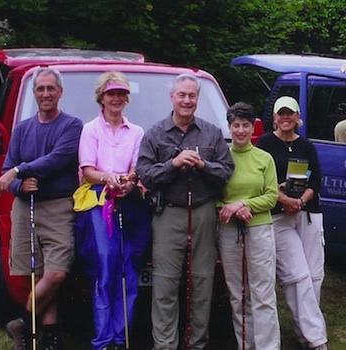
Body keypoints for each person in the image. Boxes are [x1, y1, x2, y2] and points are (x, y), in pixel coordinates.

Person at [136, 73, 233, 350]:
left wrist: (203, 165)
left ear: (197, 99)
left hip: (203, 212)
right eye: (182, 95)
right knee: (165, 285)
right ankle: (165, 345)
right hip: (168, 212)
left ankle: (196, 343)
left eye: (192, 96)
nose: (187, 100)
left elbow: (226, 172)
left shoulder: (212, 133)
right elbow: (144, 173)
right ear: (172, 97)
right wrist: (174, 163)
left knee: (202, 283)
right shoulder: (155, 134)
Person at [0, 67, 83, 350]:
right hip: (25, 206)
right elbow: (6, 171)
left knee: (56, 273)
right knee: (35, 273)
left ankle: (22, 321)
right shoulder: (22, 129)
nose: (45, 94)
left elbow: (57, 159)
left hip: (58, 206)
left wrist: (19, 171)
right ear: (34, 94)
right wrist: (20, 185)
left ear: (60, 92)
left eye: (50, 89)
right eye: (40, 89)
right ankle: (50, 333)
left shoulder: (72, 126)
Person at [75, 72, 151, 350]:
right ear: (102, 98)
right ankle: (102, 338)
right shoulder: (90, 129)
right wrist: (108, 177)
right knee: (106, 266)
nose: (116, 98)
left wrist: (129, 182)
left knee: (128, 269)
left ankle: (121, 337)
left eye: (121, 93)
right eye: (111, 94)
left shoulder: (137, 131)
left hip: (129, 201)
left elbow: (136, 167)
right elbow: (88, 171)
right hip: (99, 200)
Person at [256, 96, 330, 350]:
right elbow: (261, 181)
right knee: (297, 276)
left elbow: (316, 180)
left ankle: (305, 332)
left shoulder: (306, 146)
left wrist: (301, 201)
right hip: (279, 216)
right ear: (274, 118)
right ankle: (317, 339)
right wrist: (285, 200)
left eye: (290, 114)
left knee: (314, 276)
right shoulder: (264, 144)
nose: (286, 118)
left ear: (298, 117)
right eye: (281, 114)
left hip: (308, 214)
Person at [217, 102, 281, 349]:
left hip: (259, 228)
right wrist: (231, 209)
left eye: (245, 125)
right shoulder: (222, 157)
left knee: (262, 292)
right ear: (230, 127)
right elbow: (214, 196)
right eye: (236, 125)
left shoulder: (264, 158)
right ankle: (245, 344)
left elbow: (271, 195)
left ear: (253, 127)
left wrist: (243, 204)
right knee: (237, 293)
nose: (241, 130)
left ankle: (268, 346)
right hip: (229, 230)